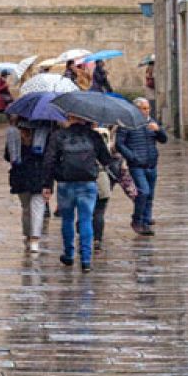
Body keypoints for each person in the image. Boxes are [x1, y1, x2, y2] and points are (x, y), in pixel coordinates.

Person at [43, 116, 114, 272]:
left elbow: (49, 161)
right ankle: (86, 260)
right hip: (88, 183)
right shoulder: (93, 135)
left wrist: (47, 185)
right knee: (86, 220)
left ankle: (69, 254)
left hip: (65, 184)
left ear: (69, 117)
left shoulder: (58, 135)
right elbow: (107, 160)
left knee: (67, 220)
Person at [117, 97, 167, 235]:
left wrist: (158, 130)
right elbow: (119, 144)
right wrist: (132, 157)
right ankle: (137, 220)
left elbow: (164, 140)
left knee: (150, 194)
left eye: (148, 108)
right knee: (143, 191)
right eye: (143, 108)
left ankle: (146, 221)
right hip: (137, 165)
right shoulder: (127, 123)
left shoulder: (151, 122)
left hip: (151, 163)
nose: (146, 111)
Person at [5, 121, 53, 253]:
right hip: (40, 175)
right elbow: (50, 157)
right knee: (38, 209)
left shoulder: (14, 134)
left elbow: (7, 156)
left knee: (26, 209)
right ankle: (35, 240)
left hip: (21, 176)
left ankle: (28, 236)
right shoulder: (45, 133)